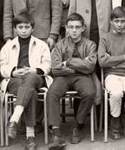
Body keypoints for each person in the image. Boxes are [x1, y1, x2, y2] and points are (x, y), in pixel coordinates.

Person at [0, 11, 52, 150]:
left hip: (36, 78)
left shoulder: (41, 45)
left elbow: (47, 65)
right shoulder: (8, 46)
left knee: (31, 78)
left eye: (27, 27)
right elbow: (2, 67)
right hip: (15, 80)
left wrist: (35, 70)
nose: (23, 31)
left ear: (32, 28)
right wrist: (13, 72)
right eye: (20, 27)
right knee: (31, 94)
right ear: (15, 29)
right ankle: (30, 137)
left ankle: (14, 119)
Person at [47, 13, 98, 148]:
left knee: (89, 93)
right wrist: (80, 66)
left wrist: (68, 62)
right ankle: (56, 132)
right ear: (66, 28)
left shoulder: (90, 45)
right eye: (71, 27)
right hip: (63, 77)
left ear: (83, 28)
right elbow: (55, 69)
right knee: (52, 93)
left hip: (82, 77)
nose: (74, 30)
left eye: (77, 27)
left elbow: (90, 67)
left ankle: (78, 125)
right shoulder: (59, 45)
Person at [98, 6, 125, 139]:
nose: (119, 24)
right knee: (116, 93)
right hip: (111, 75)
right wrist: (124, 57)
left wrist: (112, 61)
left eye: (122, 21)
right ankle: (115, 122)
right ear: (111, 21)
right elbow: (102, 62)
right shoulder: (105, 38)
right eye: (116, 21)